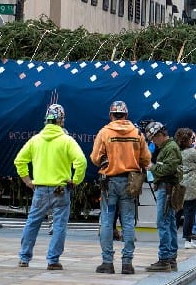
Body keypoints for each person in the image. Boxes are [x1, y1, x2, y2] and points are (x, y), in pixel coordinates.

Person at [16, 104, 87, 270]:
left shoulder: (35, 140)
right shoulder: (67, 140)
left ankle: (24, 257)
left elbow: (19, 160)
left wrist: (27, 180)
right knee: (59, 225)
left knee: (32, 222)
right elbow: (81, 162)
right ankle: (53, 260)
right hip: (60, 189)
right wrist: (75, 180)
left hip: (39, 188)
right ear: (61, 120)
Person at [89, 100, 151, 275]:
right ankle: (127, 263)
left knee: (108, 222)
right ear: (126, 115)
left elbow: (94, 158)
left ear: (111, 115)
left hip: (109, 183)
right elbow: (146, 159)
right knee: (128, 222)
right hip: (130, 182)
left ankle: (107, 262)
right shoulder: (137, 132)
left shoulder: (104, 132)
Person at [144, 121, 181, 272]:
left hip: (166, 189)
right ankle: (171, 258)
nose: (153, 142)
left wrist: (153, 168)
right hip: (168, 189)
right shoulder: (167, 147)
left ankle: (164, 259)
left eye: (154, 138)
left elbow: (168, 169)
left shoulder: (170, 148)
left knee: (163, 222)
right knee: (170, 222)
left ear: (160, 135)